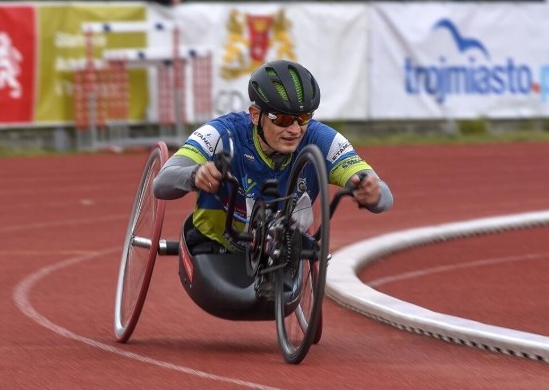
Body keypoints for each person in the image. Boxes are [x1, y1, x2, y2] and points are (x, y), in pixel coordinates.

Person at [153, 60, 393, 254]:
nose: (295, 130)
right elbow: (162, 183)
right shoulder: (221, 132)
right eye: (283, 120)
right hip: (215, 245)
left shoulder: (322, 139)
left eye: (304, 118)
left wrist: (372, 192)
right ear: (256, 115)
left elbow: (383, 195)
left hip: (283, 248)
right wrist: (195, 175)